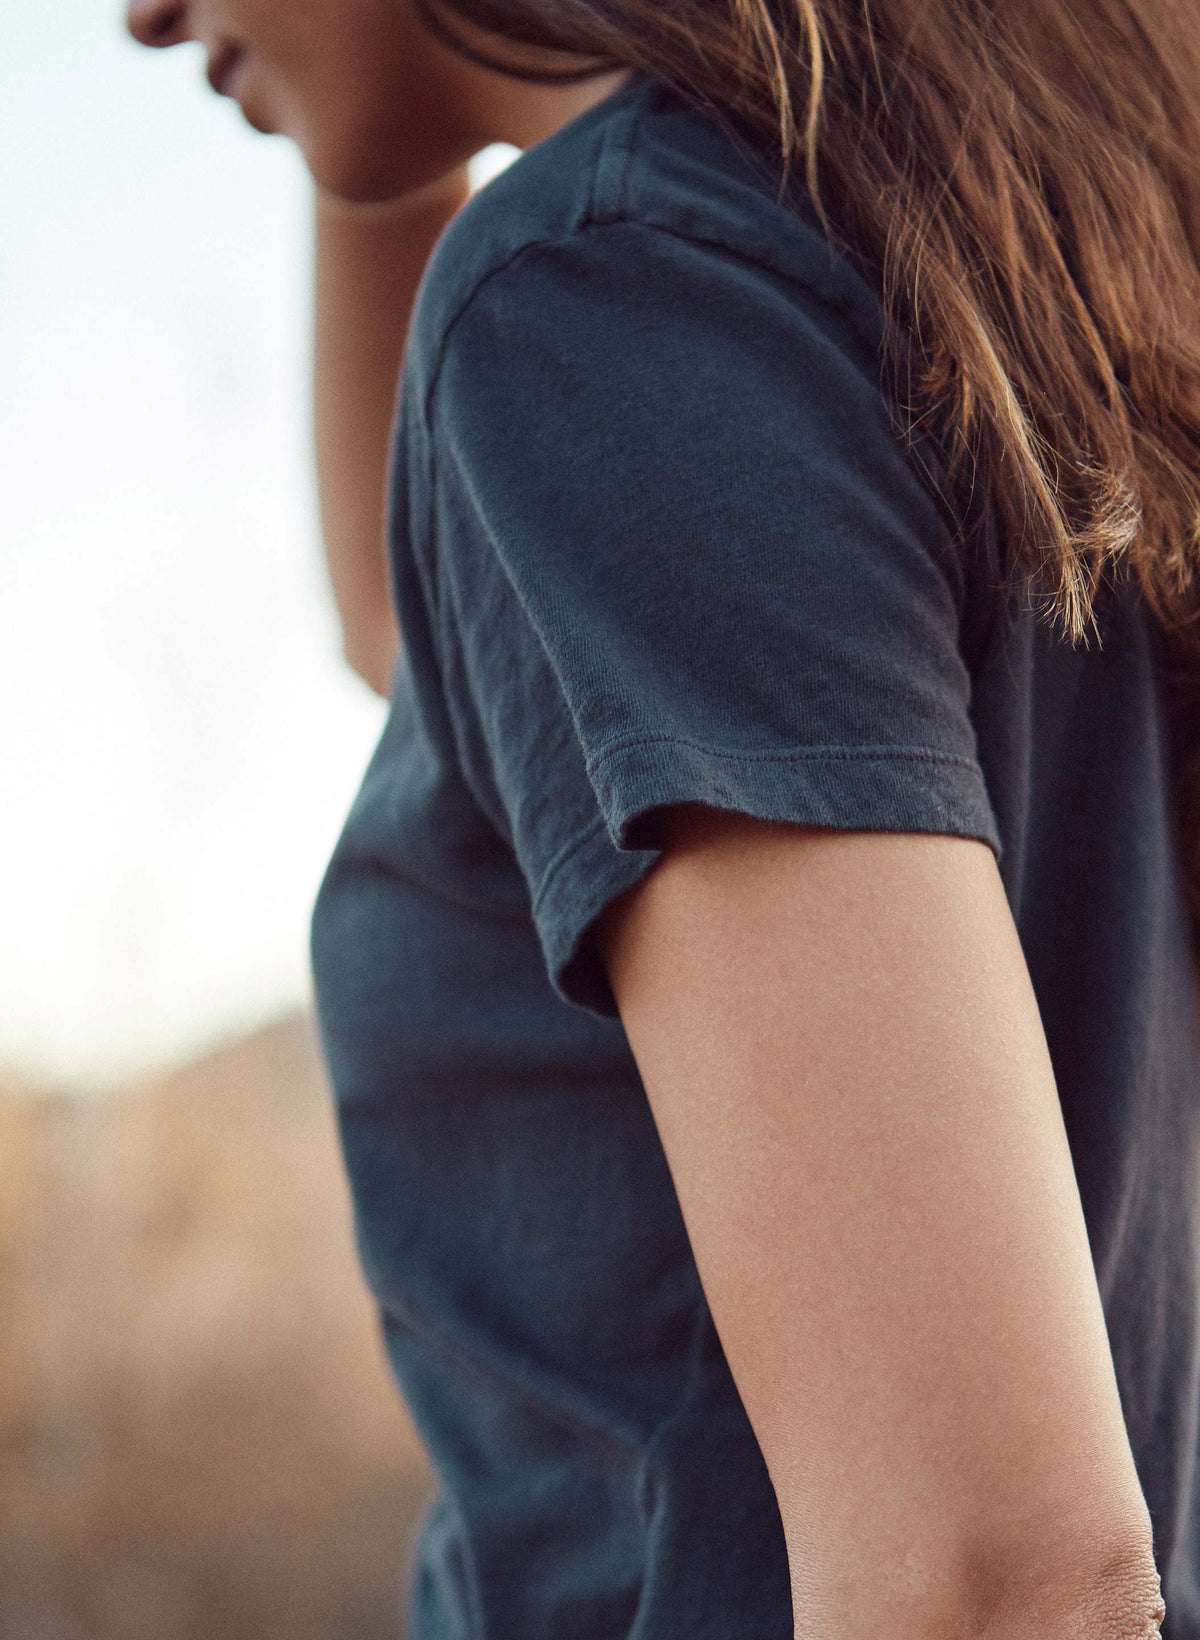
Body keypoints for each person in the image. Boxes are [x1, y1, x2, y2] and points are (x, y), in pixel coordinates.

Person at [123, 2, 1200, 1636]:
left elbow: (989, 1576)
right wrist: (384, 129)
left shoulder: (600, 300)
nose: (134, 17)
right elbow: (409, 632)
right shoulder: (962, 250)